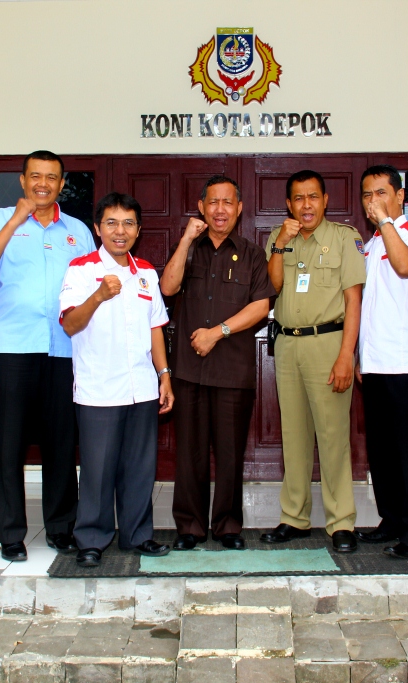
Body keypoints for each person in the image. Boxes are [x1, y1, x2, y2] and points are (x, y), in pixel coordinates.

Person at [0, 151, 94, 561]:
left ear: (62, 184)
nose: (43, 184)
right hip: (12, 349)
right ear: (22, 181)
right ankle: (10, 534)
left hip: (65, 349)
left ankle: (61, 528)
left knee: (62, 442)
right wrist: (14, 222)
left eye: (51, 177)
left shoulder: (77, 231)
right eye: (35, 176)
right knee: (10, 444)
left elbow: (91, 287)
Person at [159, 175, 276, 551]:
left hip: (232, 370)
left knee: (229, 454)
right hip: (188, 370)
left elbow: (261, 305)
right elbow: (168, 288)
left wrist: (217, 332)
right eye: (213, 202)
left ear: (239, 208)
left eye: (228, 202)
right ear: (201, 207)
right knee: (189, 452)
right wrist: (185, 240)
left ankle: (227, 526)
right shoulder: (188, 248)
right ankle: (189, 527)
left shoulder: (252, 254)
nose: (220, 209)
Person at [58, 192, 174, 566]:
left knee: (139, 469)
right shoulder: (81, 269)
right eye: (111, 223)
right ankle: (91, 539)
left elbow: (155, 328)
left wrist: (164, 375)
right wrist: (98, 295)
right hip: (99, 389)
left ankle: (137, 535)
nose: (119, 231)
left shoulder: (146, 273)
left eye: (127, 224)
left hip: (142, 386)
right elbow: (70, 324)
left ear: (138, 230)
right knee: (97, 470)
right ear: (97, 228)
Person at [263, 170, 364, 553]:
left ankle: (341, 522)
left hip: (329, 343)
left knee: (333, 435)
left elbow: (354, 300)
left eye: (313, 197)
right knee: (294, 436)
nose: (306, 205)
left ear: (325, 200)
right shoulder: (279, 237)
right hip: (288, 345)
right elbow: (273, 287)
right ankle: (295, 517)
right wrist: (280, 245)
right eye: (298, 198)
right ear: (289, 204)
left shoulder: (344, 238)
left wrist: (346, 355)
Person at [355, 164, 408, 560]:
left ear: (400, 196)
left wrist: (387, 221)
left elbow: (407, 269)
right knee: (383, 451)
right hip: (376, 363)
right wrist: (360, 355)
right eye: (367, 195)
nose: (373, 202)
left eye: (381, 193)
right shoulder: (371, 244)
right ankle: (391, 520)